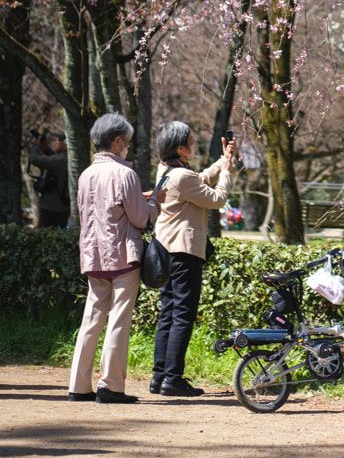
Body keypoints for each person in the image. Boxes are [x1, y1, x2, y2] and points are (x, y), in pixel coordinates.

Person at [68, 113, 164, 404]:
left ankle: (79, 385)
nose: (128, 147)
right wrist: (153, 202)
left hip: (93, 255)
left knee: (91, 320)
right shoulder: (125, 174)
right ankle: (110, 386)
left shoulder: (85, 174)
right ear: (118, 141)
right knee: (118, 320)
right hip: (123, 255)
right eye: (127, 142)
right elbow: (139, 218)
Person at [151, 120, 236, 397]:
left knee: (168, 312)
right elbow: (216, 198)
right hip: (185, 251)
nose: (193, 144)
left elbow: (198, 180)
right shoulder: (181, 177)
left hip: (166, 249)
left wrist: (223, 160)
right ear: (179, 148)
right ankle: (173, 378)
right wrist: (226, 173)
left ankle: (160, 375)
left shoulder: (166, 171)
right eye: (189, 141)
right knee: (183, 314)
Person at [29, 129, 70, 227]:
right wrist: (45, 148)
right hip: (62, 207)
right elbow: (53, 157)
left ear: (64, 144)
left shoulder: (61, 160)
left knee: (43, 237)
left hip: (51, 207)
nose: (54, 142)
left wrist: (36, 145)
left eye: (56, 140)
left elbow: (34, 159)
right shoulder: (67, 159)